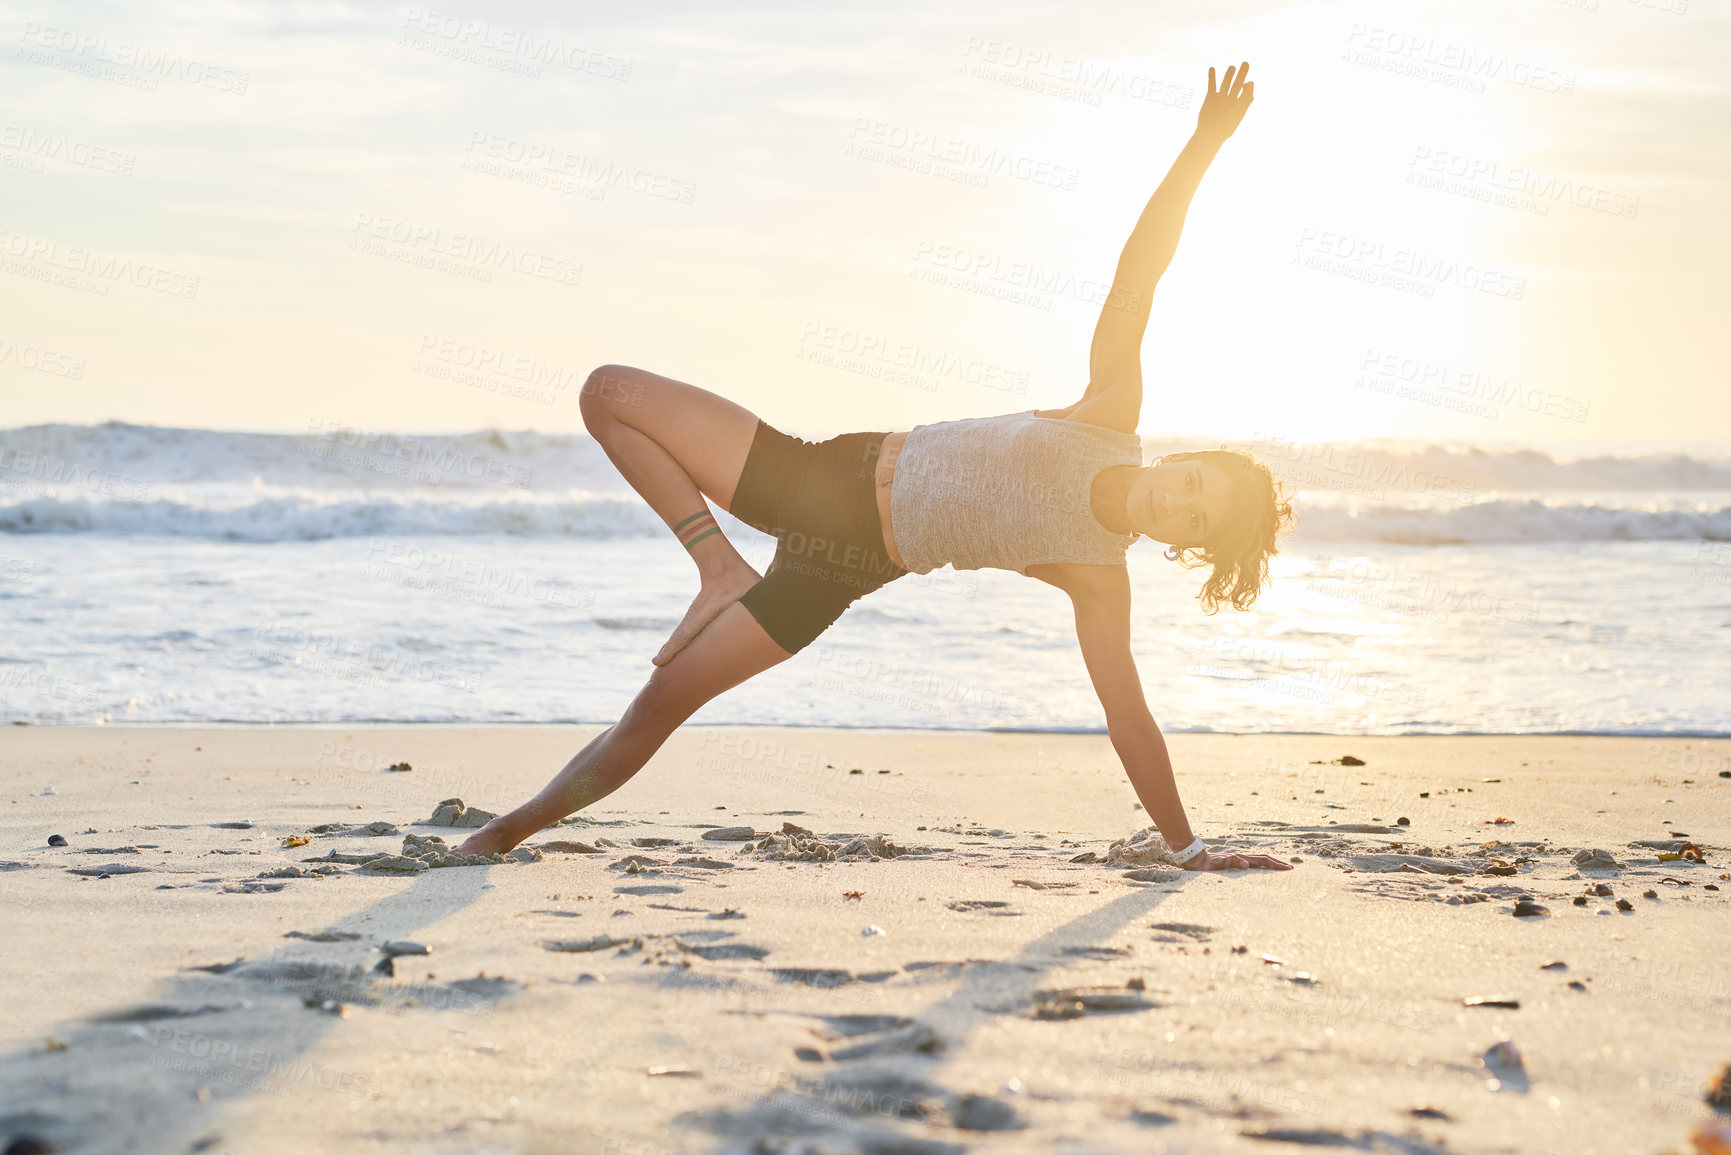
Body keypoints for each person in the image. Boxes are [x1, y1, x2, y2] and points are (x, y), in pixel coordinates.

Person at [459, 62, 1294, 872]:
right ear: (1183, 458)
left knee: (659, 705)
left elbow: (1128, 718)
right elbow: (1138, 274)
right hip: (817, 471)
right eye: (1192, 481)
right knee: (612, 392)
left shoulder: (1097, 575)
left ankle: (503, 832)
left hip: (839, 568)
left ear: (1182, 543)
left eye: (1192, 520)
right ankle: (716, 566)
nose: (1174, 500)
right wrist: (1201, 145)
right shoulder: (1108, 414)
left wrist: (1185, 846)